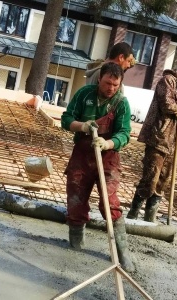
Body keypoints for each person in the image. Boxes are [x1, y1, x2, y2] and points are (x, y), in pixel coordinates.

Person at [61, 62, 135, 272]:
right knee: (75, 198)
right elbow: (66, 119)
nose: (111, 88)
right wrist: (82, 126)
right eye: (107, 83)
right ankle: (76, 246)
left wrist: (108, 143)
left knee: (109, 203)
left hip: (108, 157)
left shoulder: (121, 103)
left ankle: (123, 254)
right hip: (82, 154)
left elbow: (124, 133)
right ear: (100, 79)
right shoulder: (85, 94)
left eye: (115, 84)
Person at [126, 55, 177, 222]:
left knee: (162, 180)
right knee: (150, 177)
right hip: (158, 137)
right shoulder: (166, 81)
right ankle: (132, 215)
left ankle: (150, 217)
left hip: (173, 140)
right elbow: (167, 105)